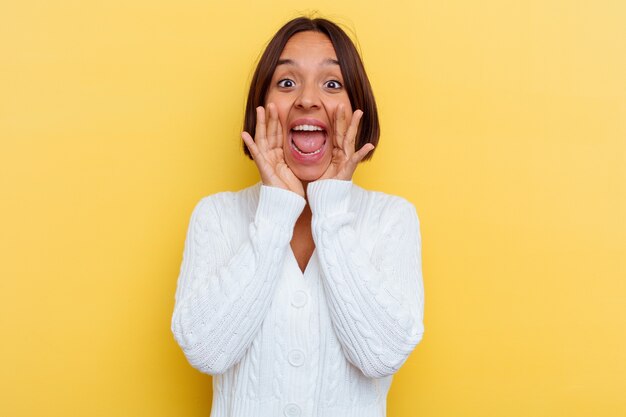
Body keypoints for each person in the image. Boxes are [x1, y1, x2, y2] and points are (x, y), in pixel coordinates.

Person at [171, 16, 425, 417]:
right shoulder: (216, 216)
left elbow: (382, 355)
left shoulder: (392, 219)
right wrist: (274, 212)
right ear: (261, 106)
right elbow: (207, 352)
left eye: (331, 83)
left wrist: (331, 206)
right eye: (287, 83)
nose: (307, 99)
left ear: (358, 107)